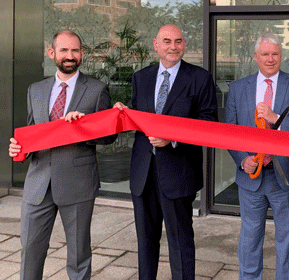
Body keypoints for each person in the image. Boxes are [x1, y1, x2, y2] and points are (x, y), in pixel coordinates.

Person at [8, 30, 115, 280]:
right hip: (38, 183)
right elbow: (33, 133)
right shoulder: (35, 89)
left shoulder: (97, 90)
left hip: (77, 184)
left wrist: (84, 127)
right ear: (52, 53)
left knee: (78, 257)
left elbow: (109, 137)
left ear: (82, 54)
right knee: (30, 252)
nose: (70, 56)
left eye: (75, 51)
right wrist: (18, 149)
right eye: (64, 50)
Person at [114, 24, 218, 280]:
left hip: (178, 173)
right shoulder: (141, 77)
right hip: (143, 173)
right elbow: (138, 118)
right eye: (167, 41)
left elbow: (208, 123)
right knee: (145, 242)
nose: (174, 46)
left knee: (180, 243)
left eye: (179, 41)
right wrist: (122, 113)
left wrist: (172, 138)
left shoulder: (200, 78)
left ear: (185, 45)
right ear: (156, 44)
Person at [226, 33, 289, 280]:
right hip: (250, 177)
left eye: (275, 54)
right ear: (256, 57)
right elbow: (229, 132)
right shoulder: (237, 88)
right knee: (250, 236)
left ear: (281, 56)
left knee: (286, 237)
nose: (270, 59)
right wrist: (242, 159)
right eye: (265, 54)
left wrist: (277, 118)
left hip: (284, 175)